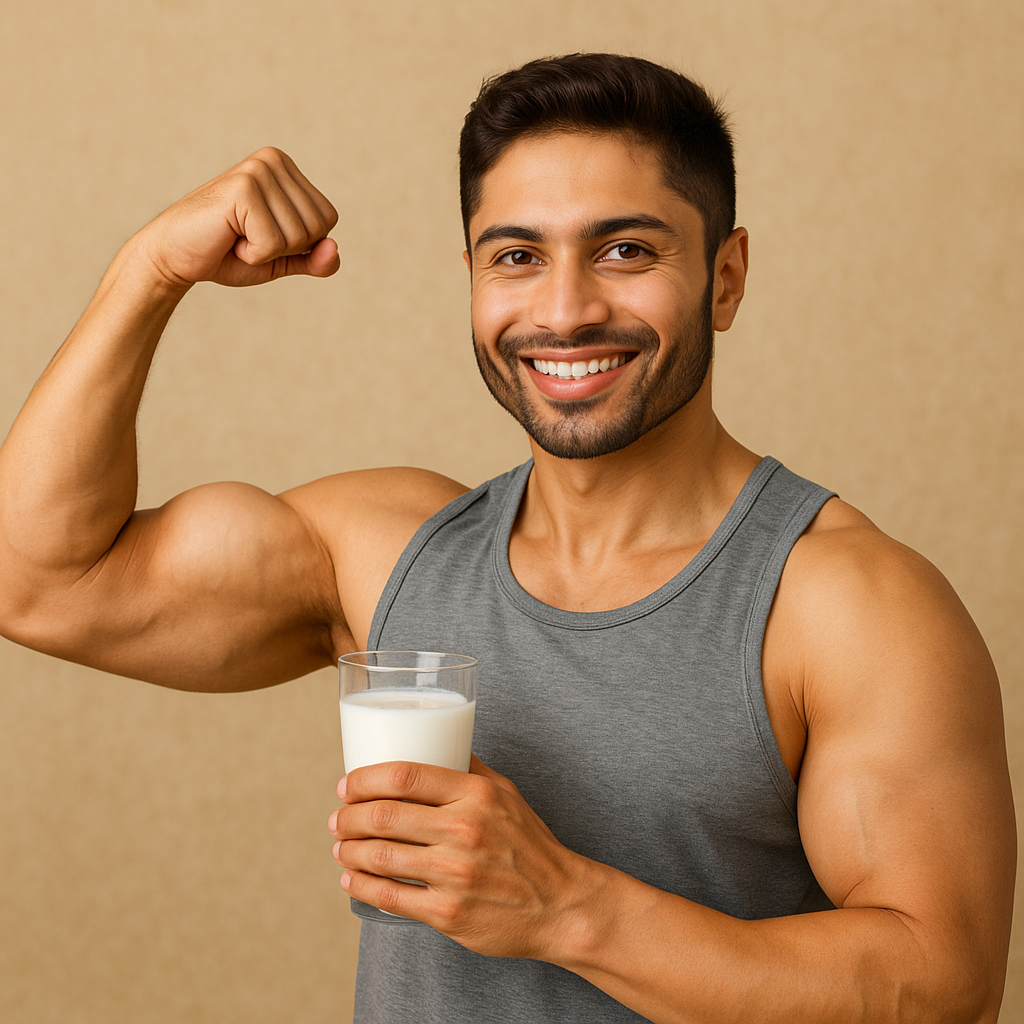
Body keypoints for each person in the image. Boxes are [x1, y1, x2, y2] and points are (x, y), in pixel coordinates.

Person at [0, 52, 1014, 1023]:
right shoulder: (388, 551)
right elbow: (39, 580)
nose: (564, 311)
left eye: (626, 250)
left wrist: (567, 908)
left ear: (726, 275)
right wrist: (149, 273)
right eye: (517, 257)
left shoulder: (844, 600)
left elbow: (940, 989)